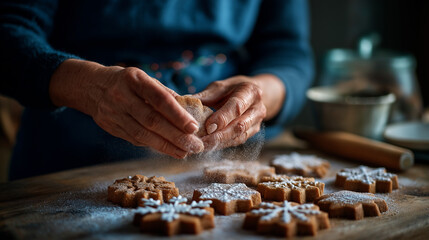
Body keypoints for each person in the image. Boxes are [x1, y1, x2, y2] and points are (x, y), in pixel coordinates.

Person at [0, 0, 313, 180]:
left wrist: (262, 94)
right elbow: (8, 29)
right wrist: (90, 88)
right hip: (72, 155)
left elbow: (287, 49)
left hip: (234, 153)